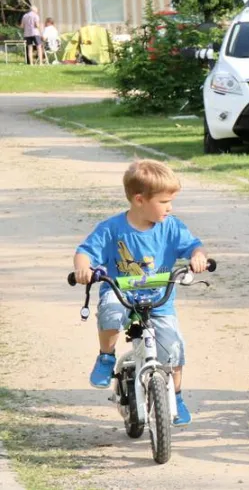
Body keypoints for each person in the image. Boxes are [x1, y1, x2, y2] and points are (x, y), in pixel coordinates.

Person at [73, 159, 209, 426]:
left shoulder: (171, 227)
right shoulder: (112, 229)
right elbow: (85, 253)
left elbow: (195, 246)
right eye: (164, 201)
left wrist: (198, 257)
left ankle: (176, 396)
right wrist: (83, 269)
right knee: (110, 312)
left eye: (171, 201)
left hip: (159, 298)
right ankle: (106, 356)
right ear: (139, 199)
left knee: (173, 350)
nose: (169, 208)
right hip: (121, 293)